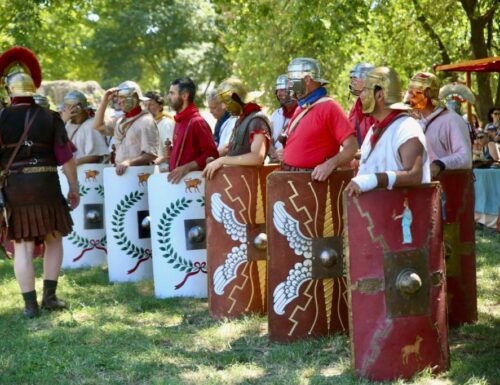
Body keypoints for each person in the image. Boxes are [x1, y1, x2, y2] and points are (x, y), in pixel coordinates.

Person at [0, 46, 80, 317]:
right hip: (46, 184)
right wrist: (74, 187)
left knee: (22, 244)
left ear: (10, 92)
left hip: (15, 189)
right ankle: (50, 297)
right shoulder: (51, 117)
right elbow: (66, 157)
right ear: (33, 89)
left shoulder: (1, 118)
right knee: (54, 238)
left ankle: (30, 306)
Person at [345, 66, 430, 196]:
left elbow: (414, 175)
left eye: (365, 90)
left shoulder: (407, 128)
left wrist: (374, 179)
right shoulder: (373, 131)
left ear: (380, 95)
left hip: (403, 215)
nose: (361, 96)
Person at [281, 57, 358, 181]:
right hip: (291, 180)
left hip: (314, 184)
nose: (289, 85)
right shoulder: (300, 107)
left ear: (307, 79)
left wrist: (331, 164)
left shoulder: (330, 107)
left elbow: (352, 147)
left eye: (291, 79)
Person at [202, 77, 272, 179]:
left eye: (226, 103)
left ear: (235, 99)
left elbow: (257, 157)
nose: (224, 107)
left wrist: (223, 160)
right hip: (238, 183)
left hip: (251, 184)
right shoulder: (241, 120)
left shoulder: (257, 120)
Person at [405, 73, 472, 178]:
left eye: (413, 92)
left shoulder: (452, 120)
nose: (409, 97)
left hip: (449, 188)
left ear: (427, 92)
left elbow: (465, 157)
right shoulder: (416, 122)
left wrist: (438, 164)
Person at [93, 81, 158, 175]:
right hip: (122, 174)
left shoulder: (146, 121)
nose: (119, 102)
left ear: (134, 98)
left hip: (139, 175)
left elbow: (151, 154)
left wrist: (129, 163)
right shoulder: (120, 120)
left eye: (122, 97)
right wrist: (105, 101)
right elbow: (98, 126)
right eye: (118, 98)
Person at [167, 77, 218, 184]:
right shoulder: (179, 121)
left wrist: (186, 168)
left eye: (172, 93)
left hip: (193, 189)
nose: (168, 97)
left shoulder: (197, 122)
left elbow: (212, 154)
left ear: (185, 96)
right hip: (176, 189)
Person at [61, 90, 108, 165]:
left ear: (78, 108)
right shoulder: (68, 125)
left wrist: (75, 162)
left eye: (68, 108)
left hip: (86, 173)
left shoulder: (91, 124)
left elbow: (95, 156)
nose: (64, 111)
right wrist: (62, 121)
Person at [269, 74, 297, 162]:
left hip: (294, 162)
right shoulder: (275, 114)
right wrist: (274, 154)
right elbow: (269, 140)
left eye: (282, 90)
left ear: (291, 91)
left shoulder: (302, 113)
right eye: (277, 91)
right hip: (275, 162)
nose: (278, 93)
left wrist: (288, 153)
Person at [348, 62, 377, 145]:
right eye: (351, 78)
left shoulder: (379, 106)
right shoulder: (357, 105)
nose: (352, 82)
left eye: (355, 78)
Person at [143, 90, 175, 162]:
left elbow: (170, 153)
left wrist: (157, 161)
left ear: (160, 106)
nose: (147, 108)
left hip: (163, 170)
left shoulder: (166, 123)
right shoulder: (149, 124)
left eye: (151, 104)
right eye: (145, 105)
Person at [206, 89, 237, 156]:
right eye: (210, 108)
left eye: (213, 108)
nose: (210, 112)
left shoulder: (233, 121)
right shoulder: (220, 121)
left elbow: (226, 148)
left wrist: (214, 158)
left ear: (224, 105)